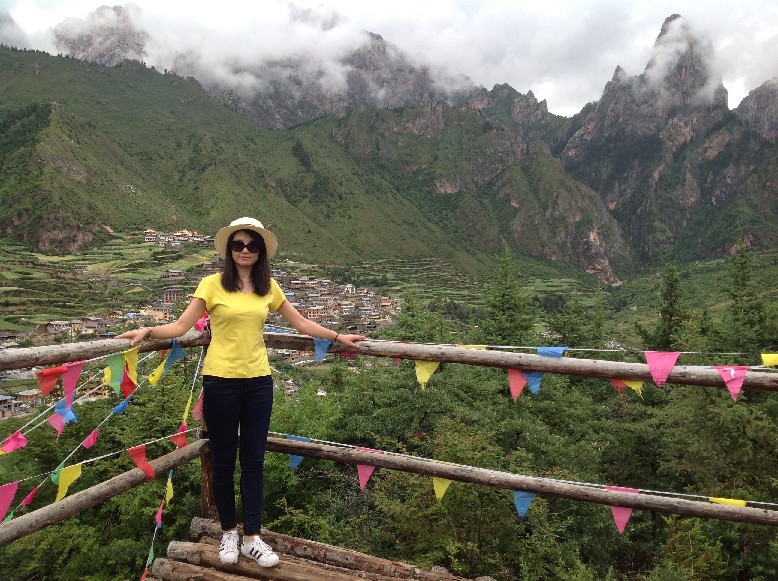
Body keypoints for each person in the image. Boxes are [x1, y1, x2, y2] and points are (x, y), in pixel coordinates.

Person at [118, 217, 366, 567]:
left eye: (252, 245)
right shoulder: (211, 285)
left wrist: (338, 337)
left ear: (261, 251)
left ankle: (252, 536)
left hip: (259, 383)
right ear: (229, 250)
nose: (245, 250)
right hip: (220, 382)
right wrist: (147, 330)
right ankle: (228, 532)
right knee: (223, 462)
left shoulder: (269, 288)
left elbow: (300, 323)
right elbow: (181, 326)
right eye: (238, 244)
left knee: (253, 462)